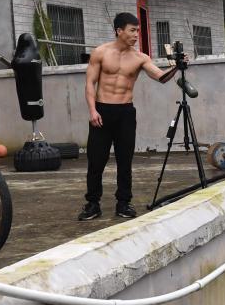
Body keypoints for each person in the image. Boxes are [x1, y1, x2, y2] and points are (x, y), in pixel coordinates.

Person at [78, 12, 184, 221]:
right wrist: (92, 110)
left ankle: (123, 203)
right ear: (119, 31)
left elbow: (160, 78)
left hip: (125, 113)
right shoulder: (100, 53)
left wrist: (176, 67)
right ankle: (92, 204)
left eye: (137, 30)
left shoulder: (140, 58)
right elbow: (90, 83)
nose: (136, 35)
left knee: (125, 161)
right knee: (95, 161)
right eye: (132, 30)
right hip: (102, 111)